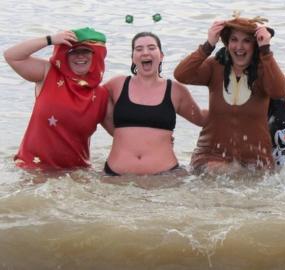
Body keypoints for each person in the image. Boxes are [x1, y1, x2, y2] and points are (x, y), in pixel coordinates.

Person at [174, 15, 285, 173]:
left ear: (255, 44)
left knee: (247, 176)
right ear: (227, 43)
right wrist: (208, 46)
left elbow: (280, 91)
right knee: (223, 171)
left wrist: (266, 51)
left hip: (256, 159)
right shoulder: (214, 66)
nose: (239, 47)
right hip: (211, 155)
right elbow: (181, 75)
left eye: (246, 41)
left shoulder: (264, 70)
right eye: (234, 40)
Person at [3, 27, 110, 170]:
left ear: (95, 55)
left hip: (75, 172)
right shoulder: (48, 74)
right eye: (74, 51)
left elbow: (120, 134)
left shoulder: (101, 95)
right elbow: (11, 55)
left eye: (85, 51)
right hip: (32, 168)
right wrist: (50, 40)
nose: (80, 56)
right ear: (65, 55)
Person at [103, 32, 207, 176]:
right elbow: (91, 104)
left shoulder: (176, 90)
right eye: (139, 49)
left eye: (152, 48)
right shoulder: (116, 85)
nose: (145, 52)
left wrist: (236, 109)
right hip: (115, 177)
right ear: (133, 57)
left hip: (165, 178)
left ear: (161, 55)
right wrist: (119, 135)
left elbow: (201, 118)